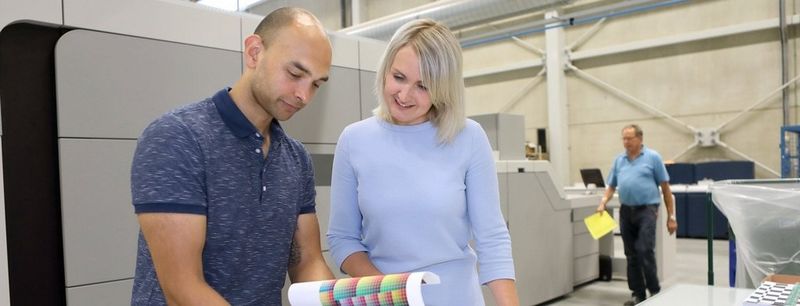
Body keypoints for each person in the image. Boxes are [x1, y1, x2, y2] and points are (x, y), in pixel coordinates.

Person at [130, 7, 334, 305]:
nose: (304, 95)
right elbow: (182, 288)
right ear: (254, 53)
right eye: (294, 73)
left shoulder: (296, 158)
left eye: (316, 83)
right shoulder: (177, 137)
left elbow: (306, 261)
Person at [326, 19, 519, 306]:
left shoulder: (469, 138)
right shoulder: (354, 140)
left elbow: (492, 238)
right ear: (385, 70)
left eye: (423, 86)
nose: (404, 95)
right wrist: (389, 294)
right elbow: (343, 239)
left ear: (443, 89)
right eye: (399, 77)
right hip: (382, 298)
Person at [596, 124, 677, 306]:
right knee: (631, 254)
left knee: (644, 250)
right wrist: (603, 202)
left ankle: (655, 291)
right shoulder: (619, 160)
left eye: (629, 139)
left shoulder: (653, 158)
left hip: (647, 210)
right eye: (624, 139)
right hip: (626, 211)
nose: (626, 142)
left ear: (640, 139)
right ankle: (638, 294)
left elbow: (665, 189)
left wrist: (671, 217)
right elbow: (611, 186)